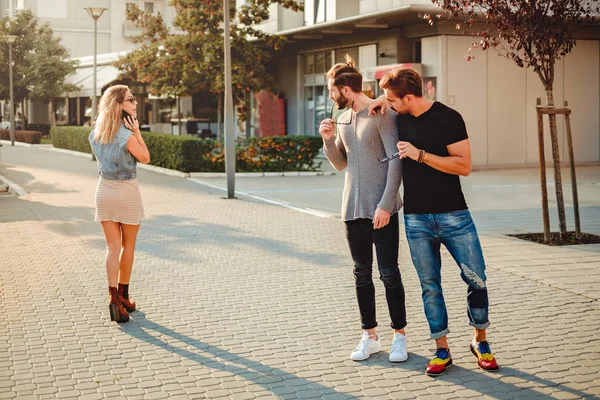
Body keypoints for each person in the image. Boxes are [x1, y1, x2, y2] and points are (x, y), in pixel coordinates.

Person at [369, 68, 499, 376]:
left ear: (409, 97)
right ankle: (442, 349)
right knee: (430, 286)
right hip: (416, 219)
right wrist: (379, 100)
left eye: (392, 100)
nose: (389, 104)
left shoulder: (449, 118)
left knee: (476, 278)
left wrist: (420, 155)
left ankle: (480, 341)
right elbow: (380, 103)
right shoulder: (397, 117)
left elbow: (464, 166)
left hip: (454, 214)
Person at [319, 55, 408, 363]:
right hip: (352, 210)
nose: (330, 96)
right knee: (361, 274)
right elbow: (342, 163)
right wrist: (329, 141)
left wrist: (386, 205)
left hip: (382, 210)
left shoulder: (380, 114)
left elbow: (396, 160)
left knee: (389, 274)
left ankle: (400, 336)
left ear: (345, 88)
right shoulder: (342, 120)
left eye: (332, 90)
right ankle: (369, 336)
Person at [88, 85, 150, 323]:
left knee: (112, 248)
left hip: (103, 191)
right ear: (118, 104)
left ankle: (114, 300)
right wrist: (137, 133)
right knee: (129, 246)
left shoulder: (95, 134)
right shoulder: (127, 137)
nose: (134, 103)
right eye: (130, 99)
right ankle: (124, 296)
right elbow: (145, 157)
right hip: (126, 192)